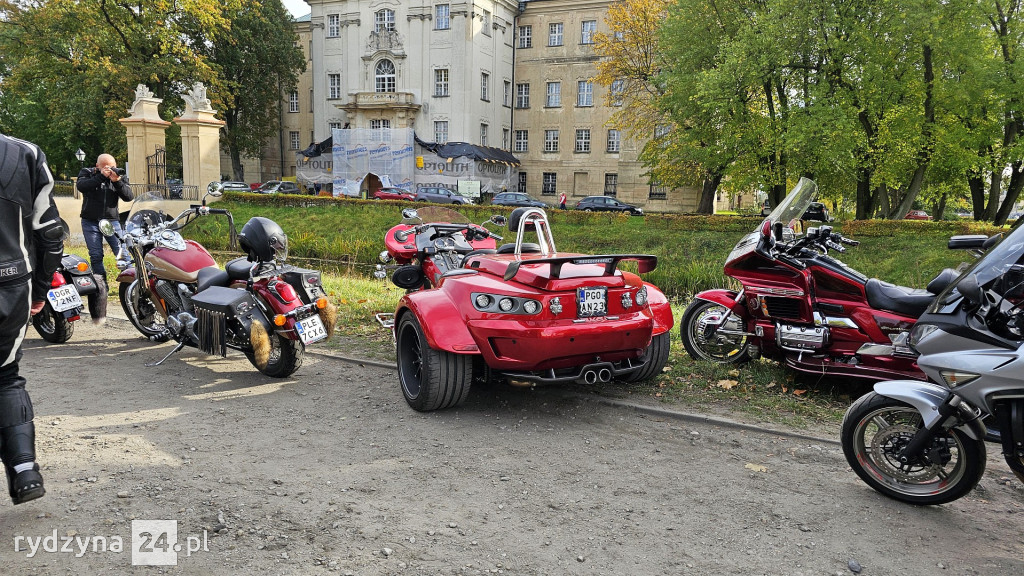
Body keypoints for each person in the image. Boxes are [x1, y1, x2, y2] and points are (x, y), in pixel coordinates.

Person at [0, 132, 64, 504]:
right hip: (10, 285)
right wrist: (40, 290)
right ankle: (24, 469)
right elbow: (50, 233)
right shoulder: (25, 153)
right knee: (6, 375)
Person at [77, 154, 133, 323]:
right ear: (98, 165)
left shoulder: (118, 177)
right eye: (106, 167)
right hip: (90, 221)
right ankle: (103, 289)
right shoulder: (87, 172)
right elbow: (82, 186)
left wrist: (117, 181)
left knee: (123, 253)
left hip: (111, 221)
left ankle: (130, 284)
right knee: (96, 255)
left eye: (112, 166)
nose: (110, 170)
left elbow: (129, 197)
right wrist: (101, 176)